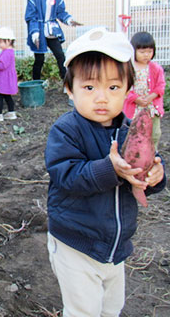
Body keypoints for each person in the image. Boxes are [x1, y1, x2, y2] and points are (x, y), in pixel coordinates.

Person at [45, 27, 166, 316]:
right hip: (76, 243)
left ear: (127, 89)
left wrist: (154, 177)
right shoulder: (66, 130)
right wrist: (109, 169)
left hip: (116, 245)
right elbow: (66, 175)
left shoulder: (130, 130)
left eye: (113, 87)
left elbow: (146, 163)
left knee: (112, 307)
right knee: (83, 311)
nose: (102, 98)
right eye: (89, 87)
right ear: (69, 90)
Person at [25, 0, 81, 81]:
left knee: (60, 55)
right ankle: (36, 84)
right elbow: (31, 17)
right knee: (39, 59)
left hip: (52, 30)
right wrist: (34, 33)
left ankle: (67, 82)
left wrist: (69, 20)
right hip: (39, 31)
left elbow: (61, 12)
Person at [123, 32, 165, 149]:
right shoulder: (128, 68)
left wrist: (151, 97)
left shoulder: (156, 68)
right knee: (132, 133)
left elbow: (160, 85)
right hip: (134, 108)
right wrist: (136, 99)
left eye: (149, 52)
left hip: (151, 107)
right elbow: (124, 87)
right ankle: (132, 154)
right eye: (142, 52)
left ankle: (152, 153)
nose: (146, 55)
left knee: (154, 133)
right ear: (133, 51)